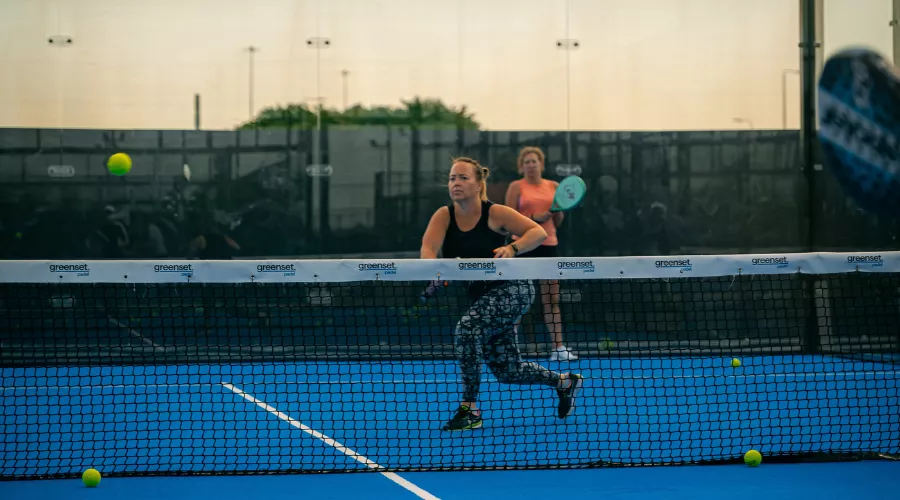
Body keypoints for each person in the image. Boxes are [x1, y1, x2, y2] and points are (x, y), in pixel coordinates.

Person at [420, 156, 583, 431]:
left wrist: (512, 248)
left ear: (478, 184)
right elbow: (428, 248)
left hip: (513, 289)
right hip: (484, 298)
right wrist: (433, 271)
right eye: (452, 178)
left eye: (463, 178)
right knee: (509, 370)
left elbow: (538, 231)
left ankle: (470, 409)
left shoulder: (495, 213)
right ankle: (564, 382)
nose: (456, 183)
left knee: (467, 330)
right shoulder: (444, 215)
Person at [504, 147, 578, 361]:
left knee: (552, 299)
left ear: (541, 164)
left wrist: (556, 213)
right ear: (521, 166)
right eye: (526, 161)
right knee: (517, 299)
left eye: (534, 161)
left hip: (549, 245)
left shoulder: (553, 186)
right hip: (523, 245)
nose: (531, 165)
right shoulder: (515, 187)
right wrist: (535, 217)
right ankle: (511, 348)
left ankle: (558, 348)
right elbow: (510, 219)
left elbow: (557, 221)